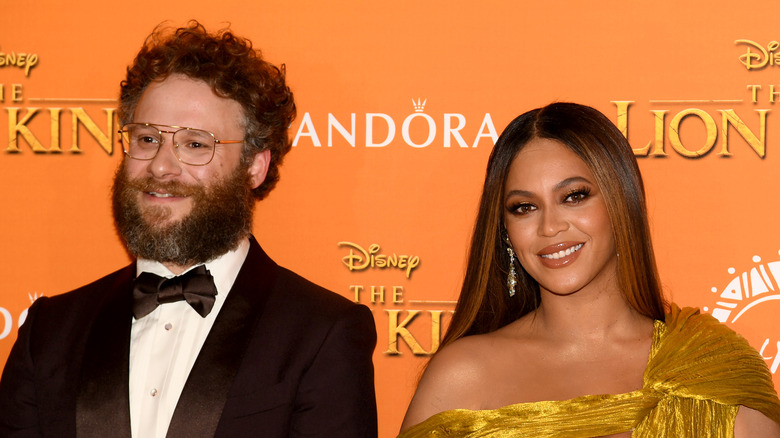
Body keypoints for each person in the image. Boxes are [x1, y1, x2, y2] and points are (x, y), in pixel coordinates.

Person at [0, 21, 377, 438]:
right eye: (147, 139)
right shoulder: (50, 332)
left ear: (255, 166)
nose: (161, 166)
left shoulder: (322, 334)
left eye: (195, 144)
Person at [399, 102, 780, 437]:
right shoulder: (464, 376)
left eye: (574, 197)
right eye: (524, 207)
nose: (550, 227)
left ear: (620, 203)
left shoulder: (711, 368)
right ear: (504, 230)